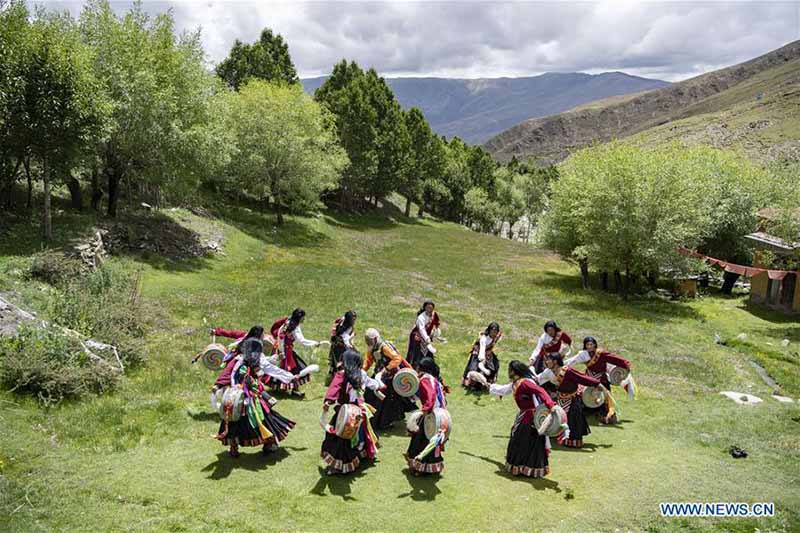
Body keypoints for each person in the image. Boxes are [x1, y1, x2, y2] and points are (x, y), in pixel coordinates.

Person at [215, 339, 296, 457]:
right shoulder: (240, 361)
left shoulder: (248, 361)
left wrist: (287, 375)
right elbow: (229, 374)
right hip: (242, 397)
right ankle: (262, 444)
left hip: (245, 397)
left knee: (246, 421)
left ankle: (243, 446)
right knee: (254, 420)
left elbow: (266, 368)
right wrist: (218, 385)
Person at [320, 349, 384, 475]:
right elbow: (372, 383)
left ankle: (339, 466)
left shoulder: (342, 374)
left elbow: (334, 388)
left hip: (346, 413)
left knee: (340, 438)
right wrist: (378, 386)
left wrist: (328, 401)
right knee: (359, 434)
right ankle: (360, 454)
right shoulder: (362, 374)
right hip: (359, 411)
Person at [489, 361, 557, 478]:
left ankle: (527, 468)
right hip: (523, 415)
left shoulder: (526, 383)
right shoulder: (514, 384)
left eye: (510, 370)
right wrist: (488, 385)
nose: (509, 372)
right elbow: (502, 390)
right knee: (518, 439)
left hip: (531, 416)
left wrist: (551, 405)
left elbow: (540, 391)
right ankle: (520, 466)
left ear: (514, 371)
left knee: (525, 440)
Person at [536, 353, 607, 448]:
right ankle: (558, 436)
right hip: (560, 398)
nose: (546, 362)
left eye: (548, 360)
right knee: (558, 419)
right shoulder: (548, 372)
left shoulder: (567, 371)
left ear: (555, 361)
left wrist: (597, 384)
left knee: (573, 420)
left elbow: (582, 378)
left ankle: (573, 441)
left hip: (572, 399)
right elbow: (538, 379)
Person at [566, 336, 633, 424]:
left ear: (595, 345)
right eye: (587, 345)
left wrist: (626, 364)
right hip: (588, 379)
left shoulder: (601, 353)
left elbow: (614, 358)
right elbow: (572, 361)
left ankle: (607, 415)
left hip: (601, 380)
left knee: (605, 398)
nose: (589, 347)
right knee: (581, 395)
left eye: (591, 344)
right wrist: (562, 366)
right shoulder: (583, 354)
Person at [363, 328, 415, 429]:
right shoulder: (371, 348)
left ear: (375, 339)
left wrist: (386, 369)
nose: (369, 343)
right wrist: (362, 371)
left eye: (370, 340)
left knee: (386, 401)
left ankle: (383, 423)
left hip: (389, 376)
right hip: (378, 376)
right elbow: (368, 361)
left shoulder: (384, 347)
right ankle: (371, 420)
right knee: (370, 395)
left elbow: (397, 359)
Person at [406, 357, 449, 475]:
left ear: (421, 368)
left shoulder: (425, 379)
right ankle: (428, 466)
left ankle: (421, 467)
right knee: (431, 440)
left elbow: (430, 397)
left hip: (431, 414)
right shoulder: (433, 379)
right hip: (440, 414)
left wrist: (425, 411)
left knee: (422, 440)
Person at [268, 309, 325, 397]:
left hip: (281, 349)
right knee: (296, 369)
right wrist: (315, 343)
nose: (304, 319)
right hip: (286, 352)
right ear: (299, 318)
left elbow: (280, 335)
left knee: (287, 368)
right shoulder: (295, 327)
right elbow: (302, 341)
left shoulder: (287, 322)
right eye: (303, 317)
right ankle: (292, 389)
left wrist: (280, 349)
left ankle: (280, 388)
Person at [462, 322, 502, 391]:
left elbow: (496, 339)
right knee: (475, 368)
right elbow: (482, 350)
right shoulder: (484, 339)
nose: (494, 333)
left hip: (488, 352)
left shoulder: (496, 336)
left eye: (495, 332)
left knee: (495, 364)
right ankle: (473, 385)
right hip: (478, 353)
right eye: (492, 331)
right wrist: (482, 360)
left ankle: (488, 382)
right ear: (489, 331)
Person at [406, 301, 441, 368]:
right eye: (428, 308)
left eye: (431, 308)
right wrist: (426, 338)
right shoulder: (421, 317)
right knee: (416, 353)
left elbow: (436, 324)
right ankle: (414, 367)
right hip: (418, 336)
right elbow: (421, 329)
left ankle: (429, 367)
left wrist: (435, 333)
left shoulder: (434, 315)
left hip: (427, 336)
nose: (429, 310)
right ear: (425, 308)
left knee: (428, 353)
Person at [328, 310, 357, 378]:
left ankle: (334, 376)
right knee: (341, 363)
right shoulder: (347, 327)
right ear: (349, 320)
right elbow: (346, 339)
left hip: (336, 345)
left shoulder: (342, 321)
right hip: (340, 348)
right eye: (353, 320)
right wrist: (352, 347)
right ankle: (339, 378)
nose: (354, 321)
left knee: (336, 363)